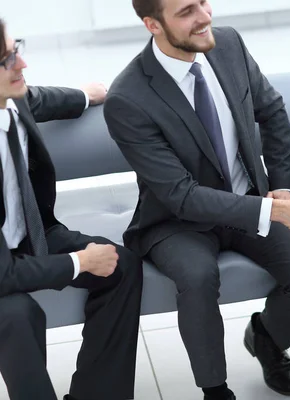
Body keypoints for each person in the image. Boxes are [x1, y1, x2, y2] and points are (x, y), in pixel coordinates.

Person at [103, 0, 290, 398]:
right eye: (187, 10)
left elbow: (273, 111)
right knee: (197, 278)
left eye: (204, 2)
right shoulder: (129, 97)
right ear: (152, 24)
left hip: (250, 198)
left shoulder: (227, 44)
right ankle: (215, 389)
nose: (205, 16)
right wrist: (273, 209)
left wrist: (280, 186)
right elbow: (180, 196)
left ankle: (267, 339)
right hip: (177, 222)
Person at [0, 19, 143, 400]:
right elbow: (3, 274)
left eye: (17, 50)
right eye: (7, 59)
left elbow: (37, 98)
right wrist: (81, 261)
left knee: (121, 264)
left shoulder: (10, 98)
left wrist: (85, 95)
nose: (22, 64)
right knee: (17, 316)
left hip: (32, 235)